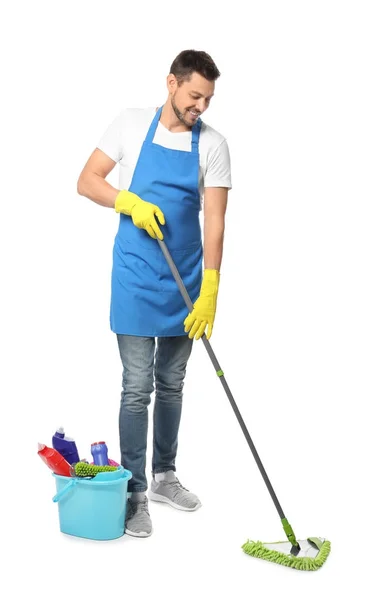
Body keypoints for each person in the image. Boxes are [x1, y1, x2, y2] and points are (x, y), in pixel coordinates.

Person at [77, 49, 232, 537]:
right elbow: (87, 181)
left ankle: (165, 476)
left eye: (207, 98)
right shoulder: (128, 124)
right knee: (136, 387)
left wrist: (210, 285)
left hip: (185, 280)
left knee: (172, 383)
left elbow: (215, 218)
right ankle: (135, 491)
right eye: (194, 95)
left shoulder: (214, 145)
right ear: (171, 83)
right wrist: (128, 202)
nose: (200, 106)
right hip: (136, 277)